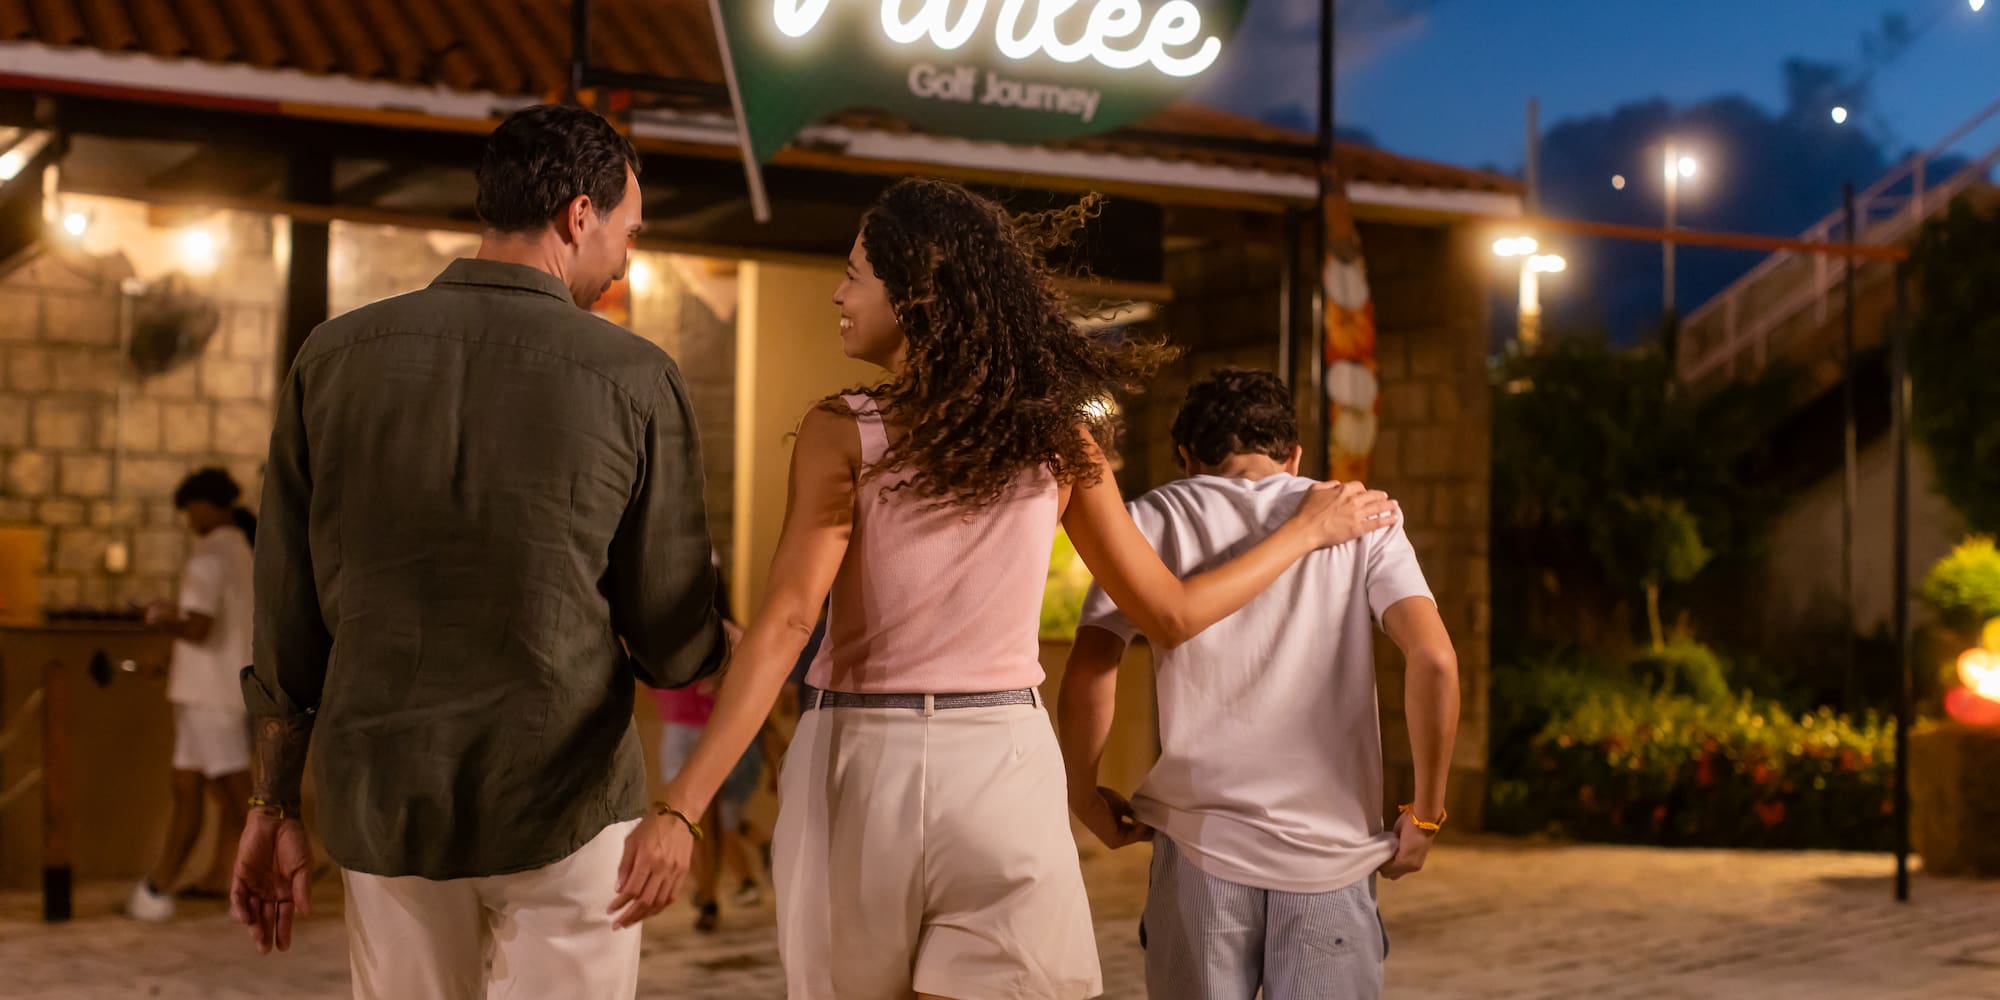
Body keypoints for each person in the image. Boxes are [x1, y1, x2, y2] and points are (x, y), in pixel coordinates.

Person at [637, 178, 1399, 999]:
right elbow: (1172, 615)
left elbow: (788, 623)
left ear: (916, 292)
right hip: (1002, 764)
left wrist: (683, 805)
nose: (838, 291)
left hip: (859, 762)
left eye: (855, 273)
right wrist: (1305, 530)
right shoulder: (1058, 441)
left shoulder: (843, 432)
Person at [231, 104, 727, 999]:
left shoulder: (334, 357)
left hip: (385, 800)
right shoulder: (634, 377)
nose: (626, 256)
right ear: (580, 215)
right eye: (629, 231)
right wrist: (729, 642)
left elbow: (286, 607)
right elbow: (670, 639)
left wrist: (271, 801)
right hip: (565, 802)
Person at [1058, 368, 1462, 1000]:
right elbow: (1435, 660)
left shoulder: (1150, 518)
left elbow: (1091, 669)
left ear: (1189, 458)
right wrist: (1427, 815)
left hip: (1199, 848)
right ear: (1294, 455)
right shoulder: (1363, 516)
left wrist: (1084, 793)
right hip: (1333, 856)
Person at [125, 467, 257, 922]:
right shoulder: (243, 552)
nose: (187, 518)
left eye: (189, 509)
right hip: (216, 689)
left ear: (205, 506)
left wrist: (161, 616)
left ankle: (265, 887)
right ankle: (159, 887)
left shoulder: (208, 559)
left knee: (238, 797)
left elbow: (199, 628)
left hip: (208, 695)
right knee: (188, 789)